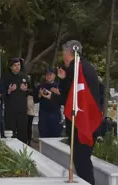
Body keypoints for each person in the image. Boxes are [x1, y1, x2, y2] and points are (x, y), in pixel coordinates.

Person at [57, 40, 100, 185]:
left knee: (81, 160)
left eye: (64, 52)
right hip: (90, 120)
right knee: (84, 158)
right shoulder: (88, 67)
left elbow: (67, 98)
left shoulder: (75, 70)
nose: (63, 56)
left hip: (80, 122)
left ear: (69, 53)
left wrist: (62, 80)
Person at [3, 58, 29, 143]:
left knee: (23, 132)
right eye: (15, 65)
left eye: (18, 65)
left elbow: (32, 91)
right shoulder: (5, 77)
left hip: (22, 109)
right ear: (11, 67)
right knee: (10, 132)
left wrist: (26, 90)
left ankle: (23, 151)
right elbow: (1, 93)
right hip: (10, 110)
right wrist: (9, 90)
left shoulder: (24, 76)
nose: (17, 67)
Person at [36, 68, 63, 138]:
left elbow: (63, 101)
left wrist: (58, 93)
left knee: (56, 136)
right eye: (47, 74)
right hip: (44, 115)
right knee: (44, 135)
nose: (48, 76)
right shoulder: (41, 86)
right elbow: (35, 100)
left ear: (54, 75)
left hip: (55, 115)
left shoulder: (59, 86)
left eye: (50, 74)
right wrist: (39, 94)